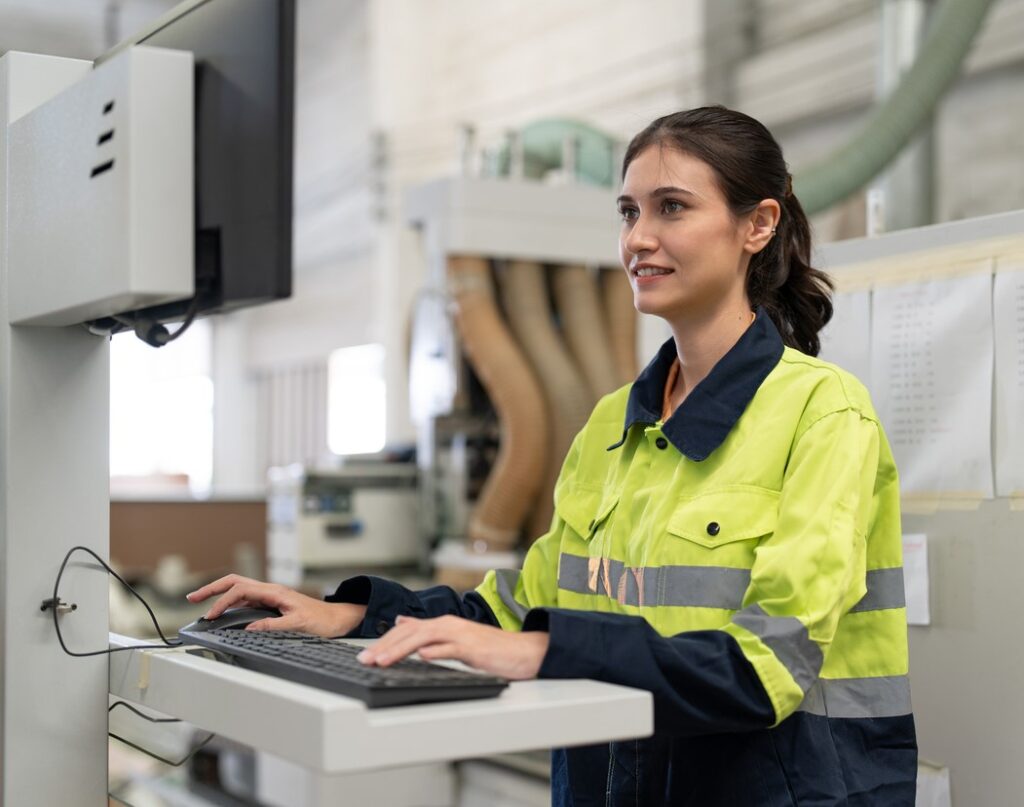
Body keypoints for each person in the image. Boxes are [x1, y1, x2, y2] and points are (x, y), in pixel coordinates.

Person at [188, 106, 917, 805]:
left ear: (757, 224)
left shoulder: (824, 414)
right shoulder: (612, 422)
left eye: (671, 208)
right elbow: (517, 605)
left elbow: (767, 666)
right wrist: (352, 615)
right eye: (629, 212)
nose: (639, 239)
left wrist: (548, 651)